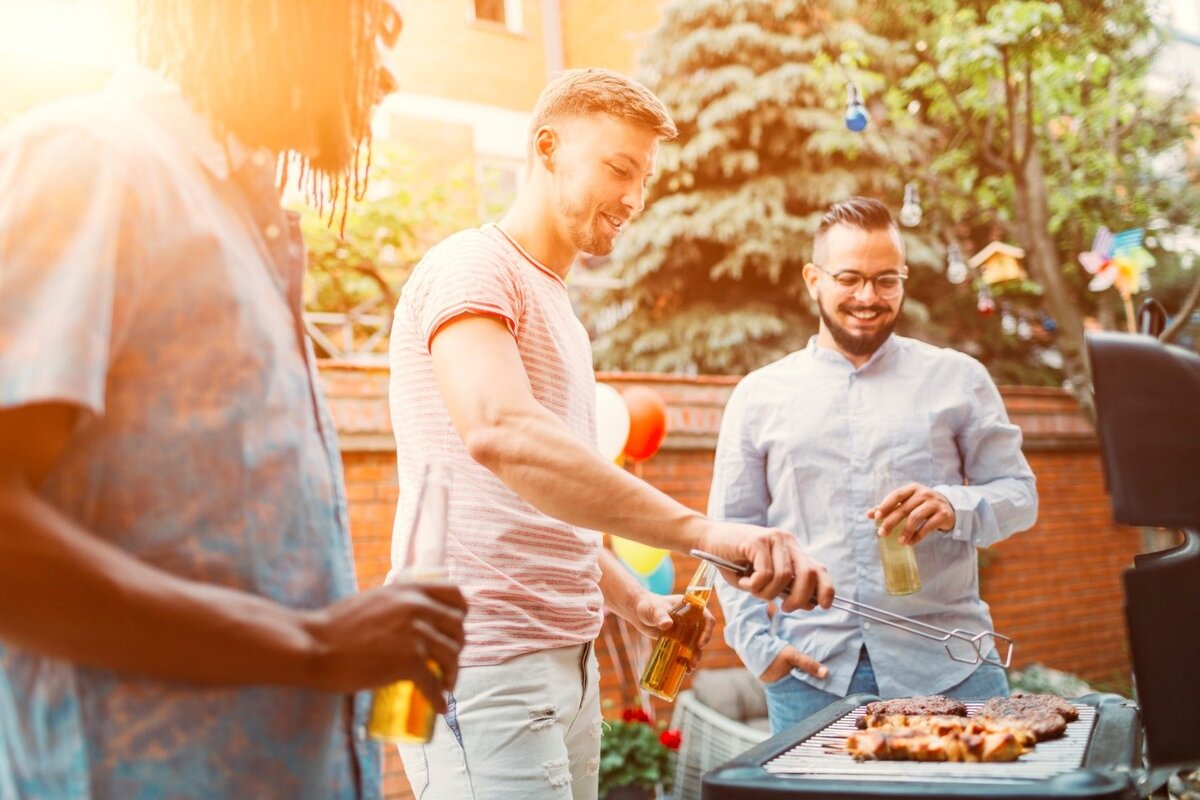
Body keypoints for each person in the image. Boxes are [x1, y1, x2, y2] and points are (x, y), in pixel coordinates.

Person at [0, 3, 466, 798]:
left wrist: (342, 630)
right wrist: (311, 644)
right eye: (364, 40)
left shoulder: (245, 227)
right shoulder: (93, 160)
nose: (383, 79)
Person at [387, 67, 835, 799]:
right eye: (619, 168)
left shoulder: (557, 305)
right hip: (478, 659)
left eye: (645, 178)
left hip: (564, 660)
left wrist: (636, 602)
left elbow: (542, 504)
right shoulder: (472, 266)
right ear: (547, 146)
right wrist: (703, 532)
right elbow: (500, 432)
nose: (634, 198)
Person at [712, 197, 1038, 734]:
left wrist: (953, 505)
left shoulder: (959, 379)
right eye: (849, 278)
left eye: (886, 280)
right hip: (810, 678)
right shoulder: (758, 396)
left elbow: (1020, 495)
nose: (868, 297)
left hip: (953, 667)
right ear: (813, 279)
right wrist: (759, 650)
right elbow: (726, 538)